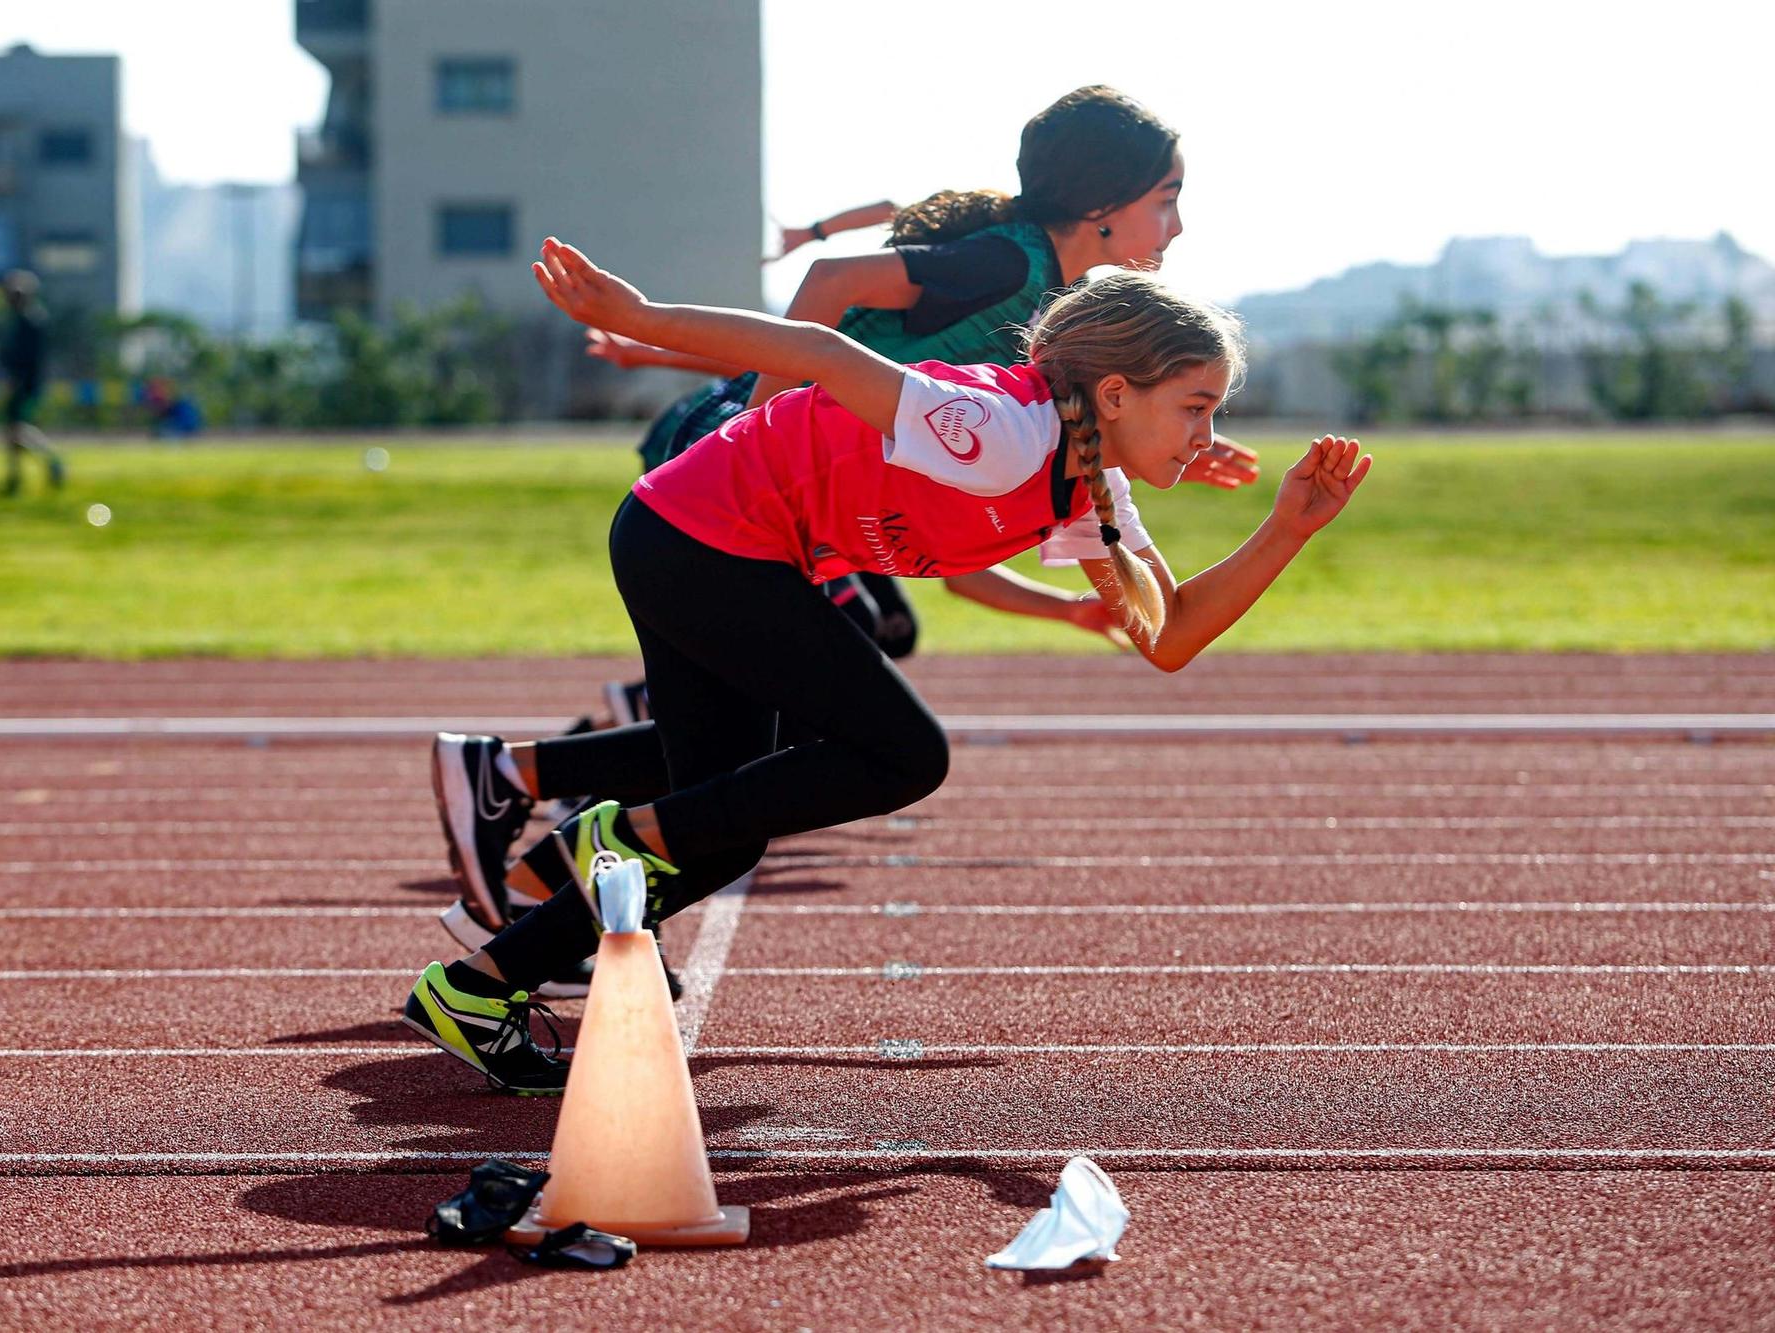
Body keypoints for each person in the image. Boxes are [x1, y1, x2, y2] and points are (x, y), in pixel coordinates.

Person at [402, 237, 1372, 1093]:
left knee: (728, 834)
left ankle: (476, 987)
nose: (1207, 436)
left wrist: (1286, 528)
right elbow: (820, 352)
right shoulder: (1003, 431)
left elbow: (1166, 638)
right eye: (1194, 407)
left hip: (699, 538)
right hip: (699, 538)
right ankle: (615, 829)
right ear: (1115, 393)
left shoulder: (1090, 486)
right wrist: (638, 316)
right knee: (903, 752)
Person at [431, 86, 1259, 964]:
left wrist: (1180, 451)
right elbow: (828, 318)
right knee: (860, 722)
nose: (1178, 223)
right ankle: (547, 851)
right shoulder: (1012, 275)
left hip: (799, 495)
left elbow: (945, 487)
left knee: (758, 768)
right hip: (743, 476)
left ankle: (525, 885)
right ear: (1102, 202)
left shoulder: (1052, 335)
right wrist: (735, 404)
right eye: (1167, 197)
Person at [0, 270, 64, 497]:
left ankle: (51, 460)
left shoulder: (32, 321)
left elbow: (25, 358)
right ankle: (15, 477)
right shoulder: (20, 320)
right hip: (20, 383)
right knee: (13, 433)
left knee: (18, 430)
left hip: (25, 385)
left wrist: (12, 375)